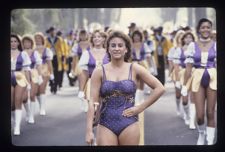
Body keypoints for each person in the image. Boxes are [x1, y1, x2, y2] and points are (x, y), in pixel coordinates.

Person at [85, 31, 165, 145]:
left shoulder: (135, 68)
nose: (116, 48)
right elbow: (92, 101)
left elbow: (160, 88)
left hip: (129, 123)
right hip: (105, 124)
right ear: (108, 48)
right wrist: (88, 131)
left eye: (120, 45)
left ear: (126, 49)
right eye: (113, 45)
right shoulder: (99, 71)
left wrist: (140, 108)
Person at [182, 18, 217, 145]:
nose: (206, 29)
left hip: (213, 78)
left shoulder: (216, 44)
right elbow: (188, 68)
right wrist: (185, 86)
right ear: (199, 29)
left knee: (210, 112)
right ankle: (201, 134)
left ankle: (210, 141)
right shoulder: (193, 45)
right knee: (200, 115)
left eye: (208, 27)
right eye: (203, 27)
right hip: (197, 79)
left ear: (211, 29)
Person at [78, 30, 109, 112]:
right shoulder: (86, 53)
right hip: (91, 82)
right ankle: (91, 123)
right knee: (92, 108)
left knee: (103, 109)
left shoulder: (109, 52)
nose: (96, 39)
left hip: (107, 82)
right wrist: (81, 90)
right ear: (92, 40)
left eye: (99, 37)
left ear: (103, 39)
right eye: (94, 37)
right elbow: (83, 73)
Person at [173, 31, 196, 128]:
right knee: (185, 99)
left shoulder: (196, 49)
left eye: (190, 37)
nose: (188, 39)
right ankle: (186, 114)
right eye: (186, 37)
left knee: (193, 99)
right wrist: (177, 80)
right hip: (183, 74)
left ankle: (191, 120)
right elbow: (176, 66)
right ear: (183, 39)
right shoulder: (179, 50)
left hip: (195, 74)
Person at [11, 34, 31, 135]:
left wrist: (28, 83)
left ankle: (17, 127)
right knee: (11, 103)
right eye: (11, 41)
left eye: (15, 41)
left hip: (20, 76)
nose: (13, 43)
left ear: (18, 43)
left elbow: (26, 70)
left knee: (18, 99)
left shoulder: (23, 54)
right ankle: (15, 121)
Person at [21, 34, 43, 124]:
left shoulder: (35, 53)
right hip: (23, 74)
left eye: (28, 42)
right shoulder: (20, 52)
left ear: (31, 43)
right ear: (22, 43)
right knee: (24, 97)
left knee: (32, 95)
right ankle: (28, 112)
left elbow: (38, 65)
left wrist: (40, 75)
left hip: (34, 73)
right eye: (25, 42)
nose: (27, 44)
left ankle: (31, 116)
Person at [34, 32, 54, 116]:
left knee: (42, 88)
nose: (38, 40)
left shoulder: (47, 50)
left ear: (42, 39)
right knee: (37, 91)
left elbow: (49, 63)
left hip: (45, 69)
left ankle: (42, 107)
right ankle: (40, 104)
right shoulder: (32, 50)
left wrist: (52, 74)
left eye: (39, 38)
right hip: (34, 70)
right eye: (36, 38)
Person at [168, 30, 185, 117]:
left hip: (186, 72)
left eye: (183, 37)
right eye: (180, 37)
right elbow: (171, 63)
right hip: (176, 72)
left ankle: (186, 110)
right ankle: (178, 106)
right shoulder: (173, 49)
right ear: (177, 38)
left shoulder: (188, 48)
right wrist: (170, 74)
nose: (182, 38)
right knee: (178, 92)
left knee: (186, 92)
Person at [45, 26, 65, 94]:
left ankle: (55, 85)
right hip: (49, 57)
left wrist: (63, 56)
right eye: (51, 31)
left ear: (55, 31)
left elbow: (62, 48)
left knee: (56, 72)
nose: (52, 32)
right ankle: (51, 84)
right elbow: (45, 48)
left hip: (57, 57)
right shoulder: (46, 39)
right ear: (49, 32)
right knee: (50, 71)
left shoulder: (59, 39)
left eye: (53, 31)